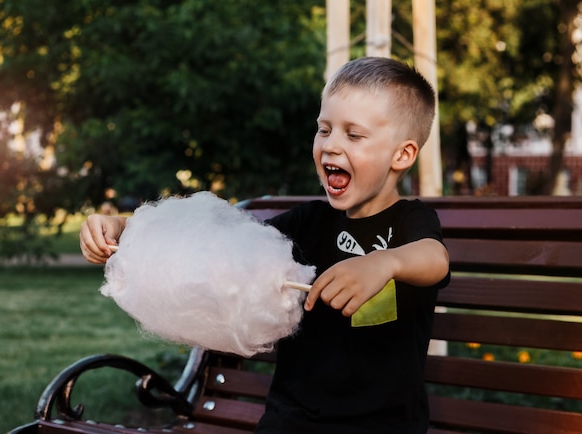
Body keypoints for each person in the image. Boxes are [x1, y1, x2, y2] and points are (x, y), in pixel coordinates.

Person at [80, 56, 450, 433]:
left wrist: (384, 263)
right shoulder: (308, 222)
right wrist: (124, 229)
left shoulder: (410, 221)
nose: (331, 146)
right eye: (324, 130)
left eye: (353, 135)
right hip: (290, 421)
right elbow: (221, 247)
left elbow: (434, 259)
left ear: (402, 154)